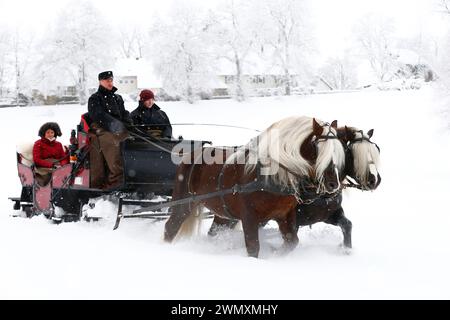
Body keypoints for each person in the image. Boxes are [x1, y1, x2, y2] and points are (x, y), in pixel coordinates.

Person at [87, 71, 132, 189]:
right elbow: (98, 115)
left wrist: (127, 122)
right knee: (113, 142)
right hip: (102, 128)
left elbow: (123, 112)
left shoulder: (117, 98)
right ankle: (115, 180)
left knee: (131, 141)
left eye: (111, 80)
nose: (110, 82)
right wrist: (114, 125)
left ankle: (131, 174)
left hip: (118, 127)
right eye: (107, 80)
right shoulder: (95, 98)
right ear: (100, 81)